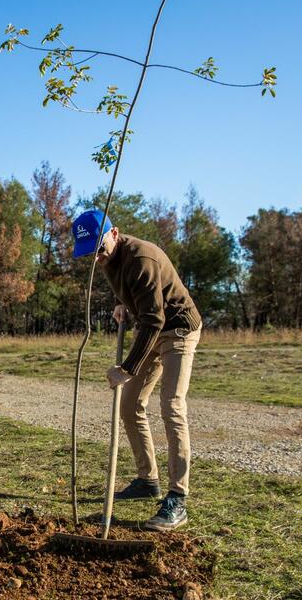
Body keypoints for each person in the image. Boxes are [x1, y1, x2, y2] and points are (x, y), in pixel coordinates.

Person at [71, 209, 203, 530]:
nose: (97, 258)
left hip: (178, 330)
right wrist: (123, 303)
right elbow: (137, 296)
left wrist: (127, 368)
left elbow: (155, 318)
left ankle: (177, 498)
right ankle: (148, 480)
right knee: (129, 406)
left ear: (114, 233)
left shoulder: (142, 259)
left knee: (171, 406)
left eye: (100, 249)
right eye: (90, 254)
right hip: (151, 328)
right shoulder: (108, 259)